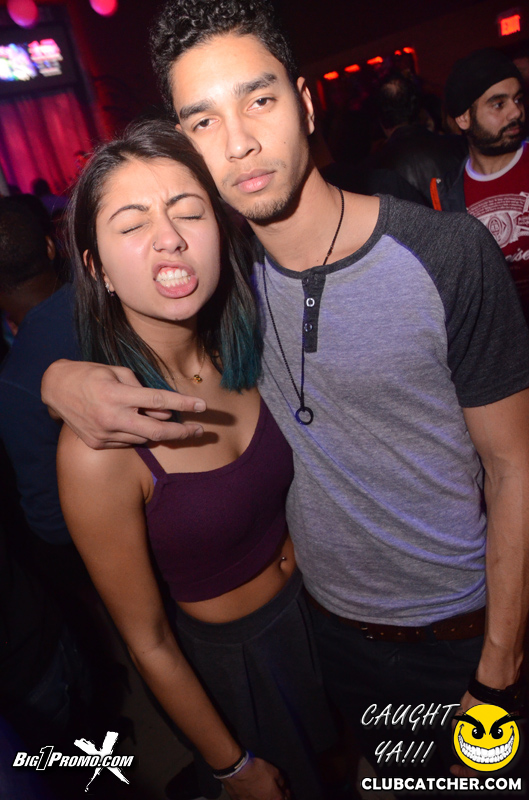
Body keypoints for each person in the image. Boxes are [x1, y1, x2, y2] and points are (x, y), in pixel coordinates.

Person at [43, 0, 529, 784]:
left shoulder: (446, 253)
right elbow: (125, 296)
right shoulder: (223, 285)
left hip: (459, 639)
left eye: (259, 99)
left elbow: (514, 466)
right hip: (325, 635)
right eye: (203, 121)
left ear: (303, 104)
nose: (237, 141)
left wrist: (497, 667)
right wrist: (58, 379)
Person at [56, 118, 335, 800]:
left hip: (321, 610)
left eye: (188, 210)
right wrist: (231, 765)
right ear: (96, 268)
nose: (169, 237)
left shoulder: (256, 348)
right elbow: (147, 641)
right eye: (131, 223)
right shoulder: (100, 447)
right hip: (238, 668)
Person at [432, 48, 529, 323]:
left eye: (518, 99)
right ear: (463, 118)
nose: (516, 112)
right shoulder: (446, 194)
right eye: (498, 104)